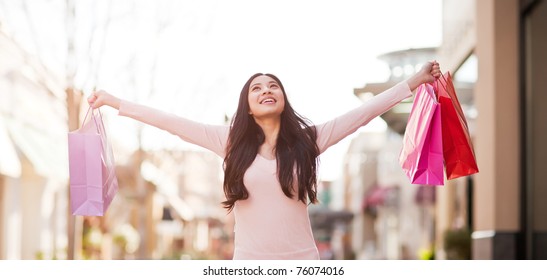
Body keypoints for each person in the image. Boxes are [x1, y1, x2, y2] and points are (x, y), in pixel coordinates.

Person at [88, 61, 441, 260]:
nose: (266, 90)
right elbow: (171, 122)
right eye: (256, 88)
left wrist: (414, 81)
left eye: (273, 86)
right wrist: (117, 103)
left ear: (283, 98)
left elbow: (363, 113)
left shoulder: (308, 141)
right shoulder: (227, 141)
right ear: (247, 105)